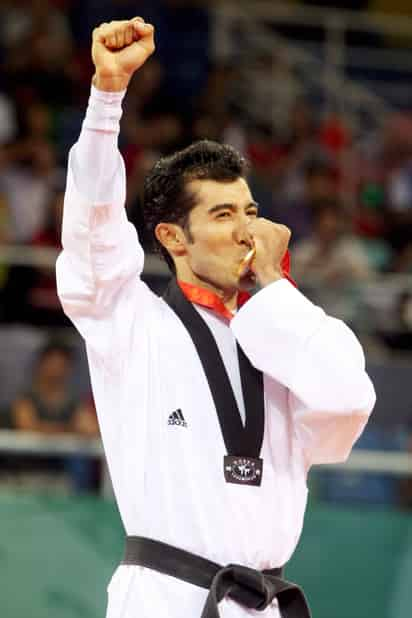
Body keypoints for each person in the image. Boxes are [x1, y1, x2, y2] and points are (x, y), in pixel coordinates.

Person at [56, 17, 376, 618]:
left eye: (250, 210)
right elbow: (92, 235)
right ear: (174, 238)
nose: (246, 231)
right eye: (223, 215)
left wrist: (275, 286)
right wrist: (106, 99)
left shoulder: (283, 334)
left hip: (267, 601)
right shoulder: (133, 325)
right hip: (167, 598)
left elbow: (348, 404)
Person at [12, 341, 99, 492]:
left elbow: (91, 429)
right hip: (25, 475)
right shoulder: (26, 399)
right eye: (52, 363)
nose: (56, 370)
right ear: (41, 364)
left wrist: (53, 430)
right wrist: (70, 430)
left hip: (61, 478)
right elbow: (27, 426)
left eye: (61, 364)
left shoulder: (74, 403)